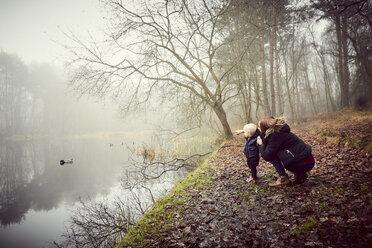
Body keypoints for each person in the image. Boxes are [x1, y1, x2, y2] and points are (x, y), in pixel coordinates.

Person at [256, 116, 315, 186]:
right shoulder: (280, 130)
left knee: (272, 156)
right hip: (308, 160)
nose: (259, 129)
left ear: (265, 128)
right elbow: (262, 134)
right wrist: (244, 131)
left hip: (303, 164)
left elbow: (266, 156)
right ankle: (300, 174)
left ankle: (284, 177)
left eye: (260, 127)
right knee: (275, 151)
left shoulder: (275, 136)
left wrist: (260, 144)